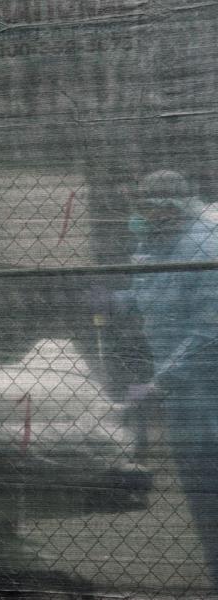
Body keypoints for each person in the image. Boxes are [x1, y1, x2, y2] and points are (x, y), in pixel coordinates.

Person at [115, 169, 218, 587]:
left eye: (146, 207)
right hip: (185, 401)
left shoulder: (203, 246)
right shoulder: (155, 244)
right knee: (201, 493)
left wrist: (162, 380)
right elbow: (152, 296)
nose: (138, 214)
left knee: (210, 485)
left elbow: (209, 330)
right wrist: (115, 299)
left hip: (205, 389)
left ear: (168, 208)